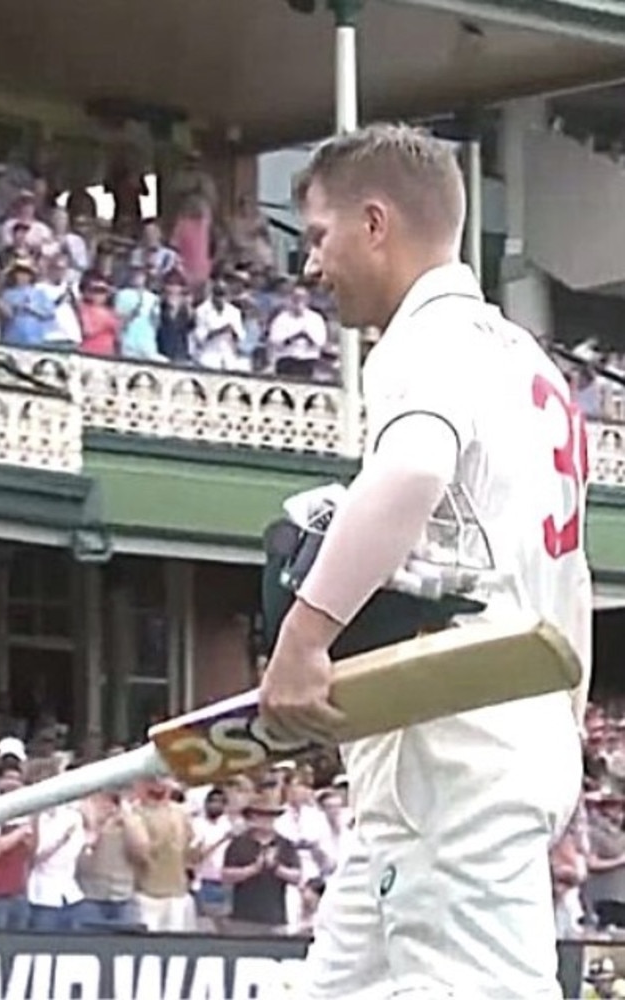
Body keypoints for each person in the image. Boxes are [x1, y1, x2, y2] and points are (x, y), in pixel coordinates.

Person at [260, 123, 592, 1000]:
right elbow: (573, 579)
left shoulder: (425, 340)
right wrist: (555, 739)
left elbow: (411, 469)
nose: (310, 265)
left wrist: (303, 638)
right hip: (488, 742)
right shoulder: (527, 360)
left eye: (320, 235)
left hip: (455, 755)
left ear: (376, 224)